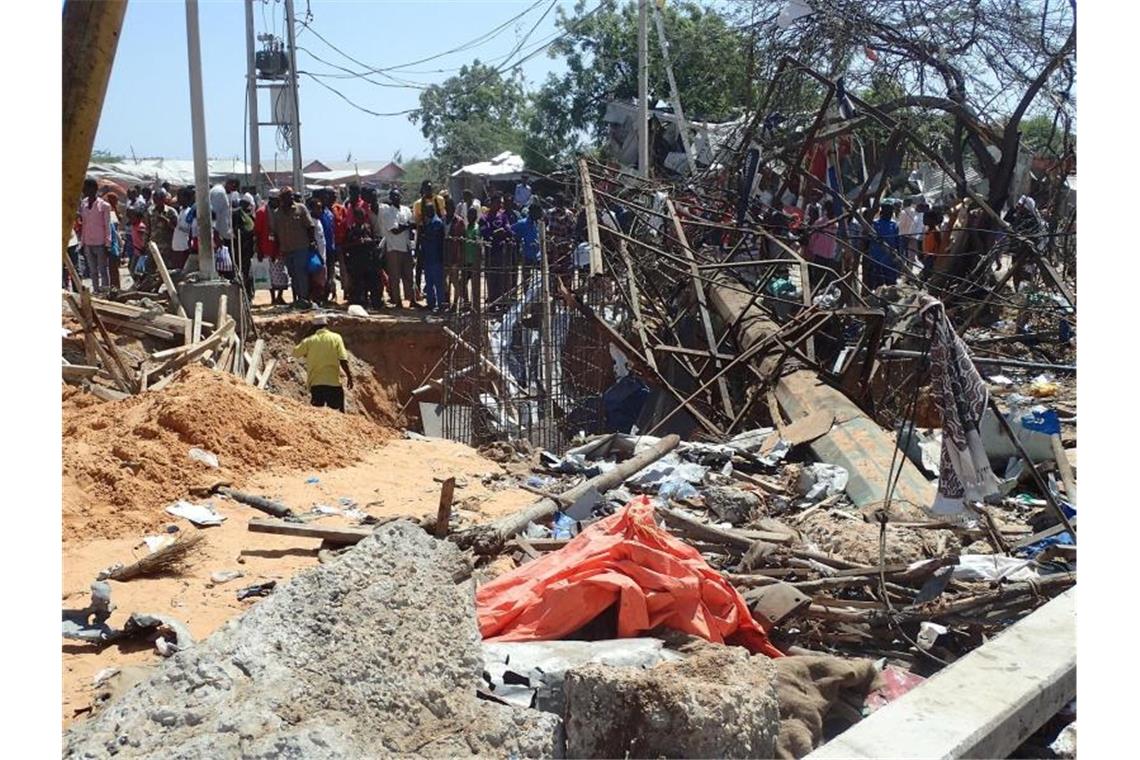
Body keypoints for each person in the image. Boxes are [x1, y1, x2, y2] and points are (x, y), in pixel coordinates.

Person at [292, 313, 353, 412]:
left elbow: (295, 353)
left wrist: (307, 335)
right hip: (333, 383)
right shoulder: (336, 338)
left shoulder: (309, 340)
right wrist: (349, 376)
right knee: (338, 415)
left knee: (318, 415)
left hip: (316, 384)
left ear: (313, 327)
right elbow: (342, 359)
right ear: (326, 325)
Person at [270, 186, 318, 308]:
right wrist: (276, 250)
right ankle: (298, 298)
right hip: (286, 249)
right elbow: (275, 233)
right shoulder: (277, 213)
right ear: (281, 198)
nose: (290, 198)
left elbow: (310, 226)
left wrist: (312, 242)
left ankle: (304, 298)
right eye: (287, 196)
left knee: (301, 273)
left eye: (291, 196)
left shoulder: (300, 209)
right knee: (293, 274)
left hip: (301, 247)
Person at [380, 188, 415, 308]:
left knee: (409, 275)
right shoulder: (387, 213)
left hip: (406, 246)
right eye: (394, 196)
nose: (396, 198)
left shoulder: (406, 210)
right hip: (394, 247)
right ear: (390, 198)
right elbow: (395, 230)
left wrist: (405, 226)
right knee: (395, 277)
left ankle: (412, 299)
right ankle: (397, 301)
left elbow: (412, 224)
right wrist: (406, 226)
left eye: (398, 196)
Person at [77, 178, 113, 292]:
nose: (83, 190)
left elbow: (107, 226)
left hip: (100, 242)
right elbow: (84, 225)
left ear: (93, 189)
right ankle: (96, 290)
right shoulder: (84, 204)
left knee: (102, 269)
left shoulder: (104, 206)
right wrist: (82, 243)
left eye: (86, 188)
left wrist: (108, 244)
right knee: (93, 270)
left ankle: (105, 291)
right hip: (88, 242)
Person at [345, 206, 382, 309]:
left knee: (373, 282)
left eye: (362, 216)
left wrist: (370, 241)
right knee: (359, 284)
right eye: (358, 216)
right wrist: (357, 242)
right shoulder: (351, 229)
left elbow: (375, 240)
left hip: (369, 259)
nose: (360, 218)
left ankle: (375, 303)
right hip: (357, 260)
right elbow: (347, 245)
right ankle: (361, 302)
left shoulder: (368, 227)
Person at [481, 193, 512, 305]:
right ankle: (492, 301)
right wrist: (496, 233)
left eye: (501, 203)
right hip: (490, 251)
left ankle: (500, 301)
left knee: (501, 277)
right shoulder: (485, 217)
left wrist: (501, 233)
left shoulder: (503, 216)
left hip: (501, 250)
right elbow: (485, 233)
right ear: (492, 203)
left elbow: (508, 230)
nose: (500, 205)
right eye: (498, 202)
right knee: (491, 277)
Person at [866, 203, 904, 290]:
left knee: (890, 284)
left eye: (891, 213)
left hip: (890, 259)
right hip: (876, 258)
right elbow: (868, 240)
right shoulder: (875, 224)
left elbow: (898, 242)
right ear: (882, 213)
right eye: (887, 213)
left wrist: (899, 257)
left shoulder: (894, 225)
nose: (889, 215)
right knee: (878, 284)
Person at [804, 202, 839, 291]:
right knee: (818, 277)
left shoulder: (837, 224)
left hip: (830, 255)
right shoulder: (820, 222)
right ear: (827, 211)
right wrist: (810, 250)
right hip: (819, 254)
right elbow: (813, 237)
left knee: (828, 278)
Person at [420, 202, 446, 312]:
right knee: (429, 282)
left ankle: (441, 305)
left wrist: (424, 235)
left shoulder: (437, 222)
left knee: (438, 283)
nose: (426, 212)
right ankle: (430, 303)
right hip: (428, 257)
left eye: (428, 210)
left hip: (436, 257)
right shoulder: (428, 222)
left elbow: (430, 236)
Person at [146, 189, 180, 270]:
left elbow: (176, 229)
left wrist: (167, 222)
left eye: (159, 198)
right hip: (154, 246)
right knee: (150, 270)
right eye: (155, 199)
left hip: (167, 247)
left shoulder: (171, 212)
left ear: (164, 199)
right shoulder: (150, 211)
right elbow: (148, 228)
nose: (156, 201)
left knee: (166, 270)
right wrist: (145, 243)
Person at [232, 194, 257, 299]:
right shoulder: (237, 214)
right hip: (241, 248)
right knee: (242, 271)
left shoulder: (250, 216)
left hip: (249, 248)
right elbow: (237, 230)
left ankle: (249, 292)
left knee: (248, 272)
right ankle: (244, 293)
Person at [511, 204, 542, 285]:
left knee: (539, 279)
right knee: (527, 279)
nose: (540, 214)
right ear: (532, 212)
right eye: (538, 212)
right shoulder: (522, 223)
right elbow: (510, 232)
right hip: (526, 255)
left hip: (538, 255)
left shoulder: (538, 224)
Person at [210, 178, 239, 263]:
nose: (233, 191)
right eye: (234, 188)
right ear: (230, 183)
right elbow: (213, 213)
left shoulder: (221, 191)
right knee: (224, 263)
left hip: (223, 233)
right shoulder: (219, 193)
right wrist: (216, 234)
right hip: (220, 234)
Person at [459, 205, 481, 310]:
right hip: (466, 259)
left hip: (474, 261)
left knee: (475, 285)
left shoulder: (476, 228)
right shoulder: (467, 227)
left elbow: (477, 242)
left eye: (472, 214)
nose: (469, 216)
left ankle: (475, 305)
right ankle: (466, 302)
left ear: (476, 216)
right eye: (468, 215)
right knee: (462, 282)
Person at [104, 192, 123, 291]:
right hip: (113, 242)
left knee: (113, 267)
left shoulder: (112, 211)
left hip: (113, 243)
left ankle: (115, 287)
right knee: (113, 268)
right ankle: (115, 286)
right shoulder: (110, 211)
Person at [171, 188, 194, 269]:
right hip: (177, 245)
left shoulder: (189, 212)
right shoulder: (181, 210)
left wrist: (176, 225)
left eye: (181, 197)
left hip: (184, 246)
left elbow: (189, 230)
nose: (179, 199)